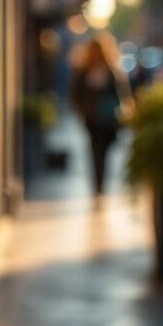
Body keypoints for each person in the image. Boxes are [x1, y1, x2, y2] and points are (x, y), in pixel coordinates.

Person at [69, 32, 134, 210]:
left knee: (101, 152)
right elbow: (76, 93)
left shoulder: (111, 70)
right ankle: (98, 188)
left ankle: (100, 188)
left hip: (106, 119)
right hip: (92, 118)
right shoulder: (85, 71)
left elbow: (122, 93)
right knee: (96, 152)